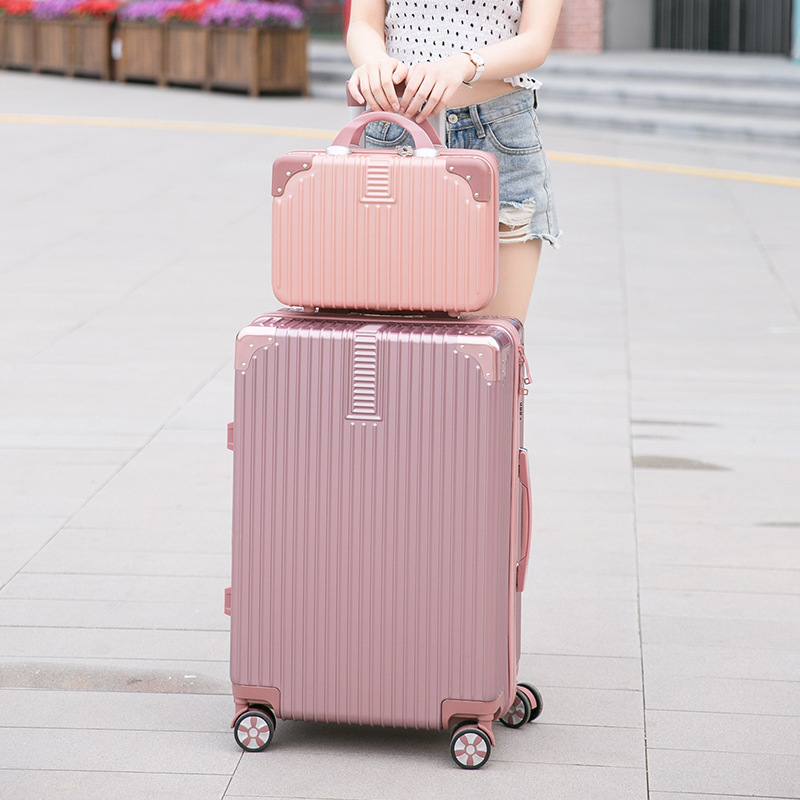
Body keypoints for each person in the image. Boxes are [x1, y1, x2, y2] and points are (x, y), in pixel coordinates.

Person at [346, 0, 563, 323]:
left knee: (491, 352)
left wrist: (463, 64)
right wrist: (375, 61)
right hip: (396, 133)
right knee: (393, 347)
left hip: (498, 133)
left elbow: (536, 39)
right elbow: (363, 23)